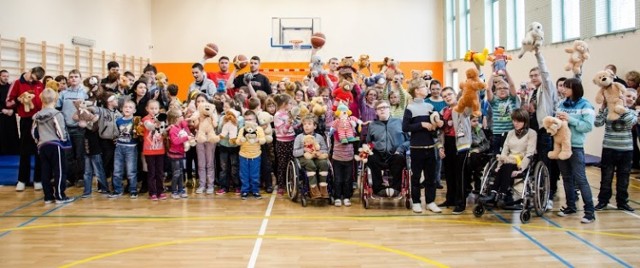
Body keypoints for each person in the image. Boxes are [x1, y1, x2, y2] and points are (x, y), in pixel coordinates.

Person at [524, 49, 561, 210]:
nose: (533, 78)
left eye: (536, 75)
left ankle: (549, 194)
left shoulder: (547, 88)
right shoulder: (533, 92)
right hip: (534, 131)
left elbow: (545, 73)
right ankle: (538, 193)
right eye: (531, 75)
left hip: (546, 132)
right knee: (537, 162)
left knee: (546, 164)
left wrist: (538, 55)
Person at [555, 78, 596, 224]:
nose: (563, 90)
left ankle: (590, 212)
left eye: (567, 87)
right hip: (561, 146)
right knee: (566, 178)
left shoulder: (586, 105)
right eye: (563, 87)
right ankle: (570, 206)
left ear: (576, 89)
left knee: (581, 179)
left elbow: (587, 127)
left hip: (576, 147)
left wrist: (570, 119)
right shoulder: (561, 103)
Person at [479, 109, 536, 208]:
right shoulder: (510, 133)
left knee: (507, 167)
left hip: (521, 162)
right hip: (508, 161)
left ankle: (497, 194)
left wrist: (521, 169)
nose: (516, 123)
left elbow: (530, 153)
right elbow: (504, 151)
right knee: (505, 166)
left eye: (519, 121)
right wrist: (498, 166)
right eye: (514, 121)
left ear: (525, 121)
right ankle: (498, 194)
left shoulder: (532, 133)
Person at [403, 83, 441, 213]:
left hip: (430, 146)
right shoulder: (410, 108)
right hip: (416, 147)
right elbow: (405, 127)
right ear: (417, 90)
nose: (427, 89)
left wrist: (437, 123)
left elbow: (435, 118)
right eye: (424, 87)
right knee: (416, 177)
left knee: (431, 177)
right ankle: (417, 202)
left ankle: (430, 202)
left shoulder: (430, 105)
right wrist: (422, 124)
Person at [6, 66, 45, 191]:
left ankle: (38, 179)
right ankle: (22, 179)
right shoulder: (17, 83)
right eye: (32, 77)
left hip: (39, 120)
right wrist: (18, 100)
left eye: (36, 80)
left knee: (38, 150)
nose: (33, 81)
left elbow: (43, 101)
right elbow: (8, 102)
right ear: (30, 71)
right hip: (26, 121)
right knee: (25, 151)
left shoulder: (39, 84)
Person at [33, 88, 74, 204]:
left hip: (42, 146)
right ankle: (60, 196)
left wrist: (38, 142)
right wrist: (64, 140)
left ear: (41, 99)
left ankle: (48, 196)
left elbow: (33, 131)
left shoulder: (37, 115)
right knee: (60, 171)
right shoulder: (57, 114)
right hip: (55, 145)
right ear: (56, 99)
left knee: (45, 171)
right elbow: (60, 130)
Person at [594, 99, 636, 212]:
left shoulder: (631, 112)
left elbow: (631, 122)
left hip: (626, 150)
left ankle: (622, 202)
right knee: (606, 177)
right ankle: (603, 201)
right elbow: (597, 123)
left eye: (632, 98)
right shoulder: (608, 110)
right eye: (627, 96)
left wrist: (623, 110)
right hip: (609, 148)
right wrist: (602, 109)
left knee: (624, 178)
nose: (629, 99)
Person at [438, 86, 472, 214]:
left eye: (449, 94)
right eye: (445, 96)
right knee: (449, 174)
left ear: (455, 94)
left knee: (460, 175)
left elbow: (470, 108)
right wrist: (440, 147)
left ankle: (460, 202)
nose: (447, 97)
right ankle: (450, 199)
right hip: (448, 143)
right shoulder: (443, 111)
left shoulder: (462, 108)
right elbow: (439, 132)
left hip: (461, 145)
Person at [366, 99, 409, 196]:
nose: (382, 110)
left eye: (385, 107)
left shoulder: (400, 122)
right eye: (379, 108)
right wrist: (370, 147)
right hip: (379, 155)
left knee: (399, 159)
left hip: (395, 154)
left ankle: (395, 189)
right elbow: (369, 142)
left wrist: (401, 148)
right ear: (376, 111)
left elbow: (409, 140)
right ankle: (378, 189)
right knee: (371, 158)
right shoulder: (372, 125)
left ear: (389, 109)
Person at [56, 69, 89, 187]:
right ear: (68, 79)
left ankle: (80, 178)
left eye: (76, 76)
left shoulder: (85, 93)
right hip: (66, 128)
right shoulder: (63, 94)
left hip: (79, 128)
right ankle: (69, 178)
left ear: (80, 79)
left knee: (80, 154)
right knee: (67, 155)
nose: (73, 78)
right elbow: (57, 109)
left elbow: (89, 110)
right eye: (71, 77)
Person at [292, 115, 330, 199]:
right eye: (304, 124)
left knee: (324, 163)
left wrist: (319, 152)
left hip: (316, 157)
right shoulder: (299, 137)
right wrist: (304, 150)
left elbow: (325, 150)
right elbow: (295, 152)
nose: (306, 126)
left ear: (315, 126)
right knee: (310, 164)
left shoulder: (319, 137)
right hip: (304, 158)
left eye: (309, 124)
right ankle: (314, 189)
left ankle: (323, 188)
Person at [109, 100, 139, 199]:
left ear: (134, 110)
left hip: (131, 148)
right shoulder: (118, 120)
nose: (127, 109)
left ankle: (133, 189)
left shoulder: (136, 121)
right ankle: (117, 190)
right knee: (117, 170)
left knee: (131, 170)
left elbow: (139, 134)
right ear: (122, 109)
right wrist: (115, 139)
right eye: (126, 107)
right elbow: (116, 133)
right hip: (119, 147)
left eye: (130, 107)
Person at [236, 110, 266, 200]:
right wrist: (241, 140)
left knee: (255, 174)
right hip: (243, 156)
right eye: (246, 120)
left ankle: (255, 190)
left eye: (250, 119)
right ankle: (245, 190)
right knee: (244, 174)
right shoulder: (242, 129)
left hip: (255, 156)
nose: (248, 121)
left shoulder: (259, 129)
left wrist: (258, 140)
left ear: (255, 121)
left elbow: (263, 140)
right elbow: (237, 142)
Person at [486, 71, 518, 154]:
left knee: (509, 155)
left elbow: (512, 85)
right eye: (499, 88)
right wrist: (493, 74)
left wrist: (505, 71)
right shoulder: (494, 101)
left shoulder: (512, 99)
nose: (502, 90)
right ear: (495, 91)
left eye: (505, 88)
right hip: (497, 134)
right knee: (497, 156)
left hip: (511, 134)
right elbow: (488, 89)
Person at [142, 100, 167, 200]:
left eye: (156, 108)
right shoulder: (145, 119)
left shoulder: (161, 119)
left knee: (160, 172)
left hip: (160, 150)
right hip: (149, 150)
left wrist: (163, 125)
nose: (154, 110)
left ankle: (160, 191)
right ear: (147, 109)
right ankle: (152, 192)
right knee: (151, 172)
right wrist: (156, 124)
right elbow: (149, 126)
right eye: (151, 108)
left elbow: (162, 131)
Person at [216, 99, 242, 195]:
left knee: (234, 166)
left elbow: (240, 130)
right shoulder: (222, 117)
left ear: (233, 107)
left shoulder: (239, 118)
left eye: (227, 107)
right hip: (223, 145)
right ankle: (224, 186)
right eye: (224, 107)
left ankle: (237, 185)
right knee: (223, 167)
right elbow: (219, 130)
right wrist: (223, 124)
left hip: (234, 146)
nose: (225, 109)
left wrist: (234, 123)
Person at [193, 94, 217, 194]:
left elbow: (215, 125)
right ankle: (202, 184)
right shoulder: (196, 114)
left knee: (210, 163)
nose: (200, 103)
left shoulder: (213, 112)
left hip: (210, 139)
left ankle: (210, 185)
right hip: (200, 139)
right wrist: (200, 119)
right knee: (201, 163)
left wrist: (210, 117)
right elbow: (196, 126)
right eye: (198, 101)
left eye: (202, 101)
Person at [273, 94, 297, 195]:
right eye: (290, 103)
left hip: (292, 141)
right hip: (282, 142)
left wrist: (297, 122)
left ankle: (291, 182)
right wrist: (288, 123)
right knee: (282, 164)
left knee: (292, 163)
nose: (291, 105)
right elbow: (282, 132)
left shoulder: (289, 114)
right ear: (284, 104)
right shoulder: (277, 115)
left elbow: (294, 127)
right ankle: (281, 185)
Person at [167, 107, 192, 199]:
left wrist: (187, 116)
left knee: (181, 172)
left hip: (180, 154)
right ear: (176, 118)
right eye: (181, 115)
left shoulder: (179, 126)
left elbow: (185, 124)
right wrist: (186, 138)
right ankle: (174, 191)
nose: (183, 116)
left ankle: (181, 189)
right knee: (176, 173)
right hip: (175, 155)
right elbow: (175, 141)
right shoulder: (173, 129)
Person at [0, 70, 19, 155]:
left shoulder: (11, 87)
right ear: (0, 77)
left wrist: (13, 110)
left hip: (10, 114)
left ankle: (12, 151)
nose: (6, 78)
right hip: (1, 114)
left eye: (7, 76)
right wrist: (2, 110)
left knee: (11, 133)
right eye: (4, 76)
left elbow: (16, 99)